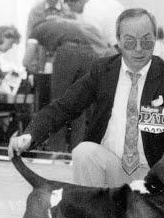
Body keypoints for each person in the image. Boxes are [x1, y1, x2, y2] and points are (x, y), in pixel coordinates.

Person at [8, 8, 164, 188]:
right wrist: (29, 135)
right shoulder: (102, 70)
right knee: (84, 152)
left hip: (154, 175)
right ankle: (92, 217)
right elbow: (63, 108)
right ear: (119, 41)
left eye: (146, 41)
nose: (139, 48)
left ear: (155, 39)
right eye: (130, 41)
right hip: (110, 171)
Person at [28, 18, 110, 152]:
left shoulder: (36, 30)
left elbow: (27, 59)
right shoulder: (64, 24)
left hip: (67, 53)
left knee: (58, 104)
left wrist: (30, 69)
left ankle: (57, 150)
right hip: (90, 54)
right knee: (79, 104)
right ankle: (76, 150)